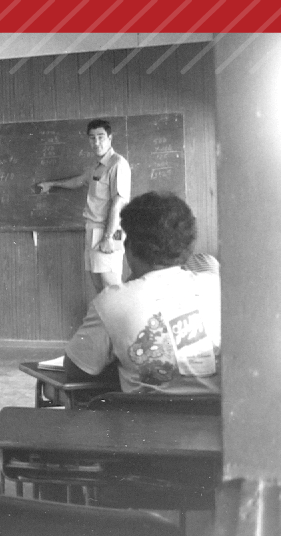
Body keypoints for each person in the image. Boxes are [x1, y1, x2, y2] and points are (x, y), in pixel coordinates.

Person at [64, 192, 220, 394]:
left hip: (144, 423)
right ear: (188, 246)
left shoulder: (112, 302)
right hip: (213, 422)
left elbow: (76, 369)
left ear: (130, 247)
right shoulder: (217, 288)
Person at [38, 119, 131, 293]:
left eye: (101, 137)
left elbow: (118, 203)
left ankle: (114, 321)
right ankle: (104, 320)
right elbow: (79, 181)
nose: (96, 142)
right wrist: (52, 184)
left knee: (112, 288)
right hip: (93, 230)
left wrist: (108, 237)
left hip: (108, 231)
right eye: (92, 138)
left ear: (110, 138)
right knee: (99, 287)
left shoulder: (117, 164)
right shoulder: (96, 166)